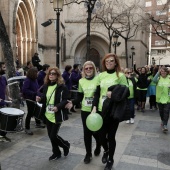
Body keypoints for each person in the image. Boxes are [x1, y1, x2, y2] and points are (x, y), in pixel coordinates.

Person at [91, 53, 129, 170]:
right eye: (106, 61)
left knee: (111, 137)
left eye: (111, 61)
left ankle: (110, 159)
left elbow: (126, 93)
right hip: (102, 110)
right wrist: (94, 107)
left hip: (113, 111)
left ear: (115, 62)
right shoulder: (101, 75)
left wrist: (114, 94)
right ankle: (106, 150)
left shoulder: (121, 76)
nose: (109, 63)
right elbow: (97, 93)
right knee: (100, 136)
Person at [66, 61, 101, 164]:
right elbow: (80, 97)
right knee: (87, 133)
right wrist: (72, 102)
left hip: (96, 110)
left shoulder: (98, 79)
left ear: (94, 69)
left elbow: (98, 94)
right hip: (85, 110)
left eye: (91, 68)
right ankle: (88, 154)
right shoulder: (81, 81)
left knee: (96, 131)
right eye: (86, 68)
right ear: (84, 70)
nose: (88, 69)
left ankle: (99, 144)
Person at [36, 67, 70, 161]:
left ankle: (65, 145)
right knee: (51, 136)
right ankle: (56, 153)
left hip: (57, 114)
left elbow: (65, 100)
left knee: (53, 135)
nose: (51, 75)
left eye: (53, 73)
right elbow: (45, 98)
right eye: (50, 73)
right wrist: (40, 99)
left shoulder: (62, 86)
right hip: (48, 114)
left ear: (57, 75)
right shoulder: (46, 85)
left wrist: (58, 107)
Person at [22, 67, 45, 135]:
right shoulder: (28, 80)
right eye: (36, 72)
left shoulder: (35, 80)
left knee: (36, 110)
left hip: (35, 98)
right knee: (30, 113)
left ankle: (37, 123)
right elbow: (24, 90)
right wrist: (34, 93)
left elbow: (37, 88)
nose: (38, 73)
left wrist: (39, 94)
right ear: (33, 73)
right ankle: (27, 128)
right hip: (29, 99)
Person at [153, 66, 170, 132]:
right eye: (162, 71)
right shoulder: (158, 78)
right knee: (161, 112)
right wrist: (158, 72)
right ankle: (163, 120)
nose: (163, 73)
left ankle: (165, 125)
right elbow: (154, 80)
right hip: (159, 98)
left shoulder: (169, 78)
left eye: (164, 71)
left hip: (167, 99)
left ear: (166, 72)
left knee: (166, 112)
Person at [0, 62, 11, 142]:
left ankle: (2, 135)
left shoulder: (3, 78)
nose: (5, 69)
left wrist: (8, 96)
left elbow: (5, 88)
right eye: (3, 67)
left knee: (4, 121)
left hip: (2, 103)